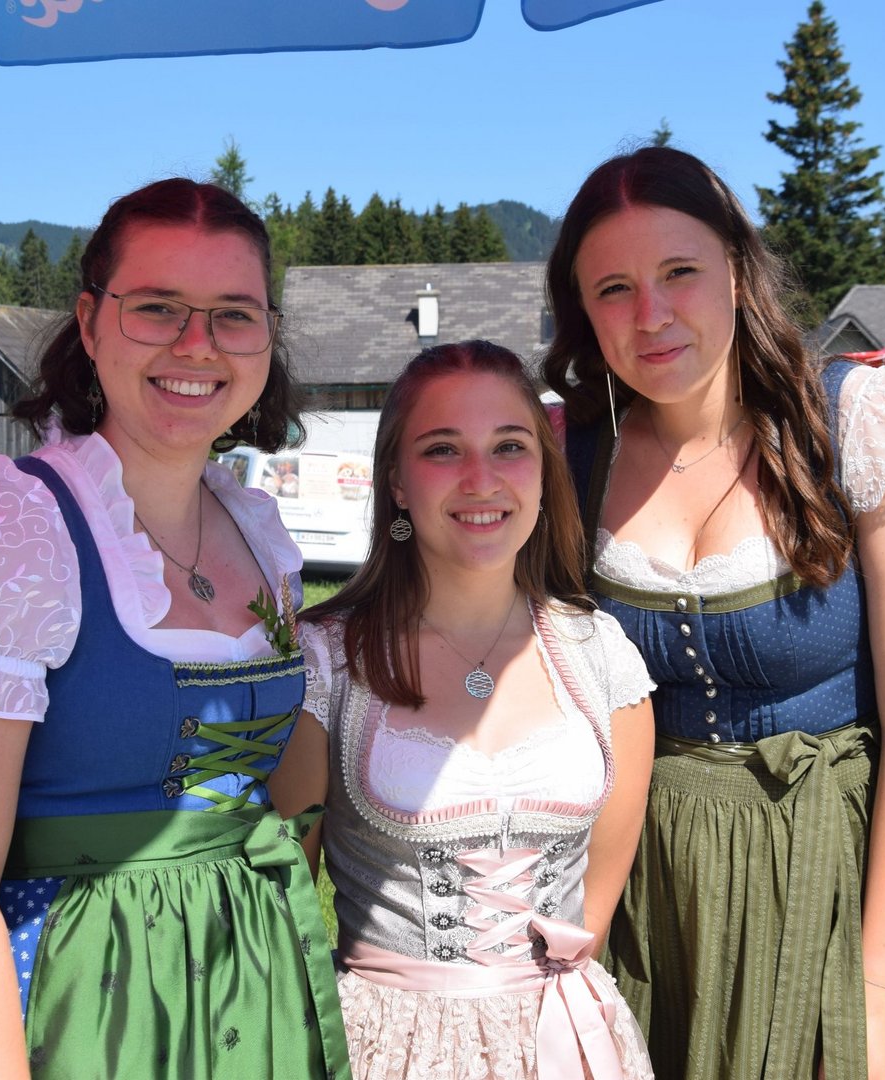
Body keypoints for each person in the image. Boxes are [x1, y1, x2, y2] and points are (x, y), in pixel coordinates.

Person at [0, 178, 349, 1080]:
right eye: (157, 307)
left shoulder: (257, 532)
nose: (197, 344)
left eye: (234, 315)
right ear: (90, 324)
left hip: (251, 990)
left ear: (267, 337)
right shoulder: (12, 531)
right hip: (75, 1000)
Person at [541, 146, 885, 1080]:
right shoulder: (568, 455)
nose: (651, 314)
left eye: (680, 272)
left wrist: (878, 983)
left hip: (830, 883)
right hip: (648, 898)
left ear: (738, 272)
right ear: (581, 309)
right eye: (614, 288)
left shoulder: (855, 421)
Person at [269, 340, 658, 1080]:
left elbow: (594, 917)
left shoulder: (601, 655)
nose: (482, 479)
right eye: (442, 449)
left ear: (544, 471)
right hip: (388, 1051)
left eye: (509, 446)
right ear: (397, 482)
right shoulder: (325, 664)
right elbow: (283, 914)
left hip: (567, 1043)